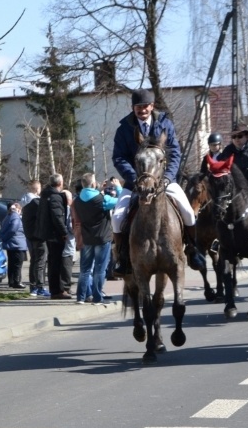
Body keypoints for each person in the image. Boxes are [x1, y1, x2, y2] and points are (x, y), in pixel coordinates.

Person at [111, 88, 206, 275]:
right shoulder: (124, 129)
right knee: (117, 218)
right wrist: (135, 179)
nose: (142, 110)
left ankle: (193, 250)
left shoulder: (165, 124)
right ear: (133, 108)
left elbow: (174, 153)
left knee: (188, 211)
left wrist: (169, 177)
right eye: (138, 107)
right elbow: (119, 158)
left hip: (163, 180)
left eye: (145, 106)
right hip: (135, 183)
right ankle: (122, 257)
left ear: (152, 106)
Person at [74, 174, 118, 305]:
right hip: (102, 237)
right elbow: (120, 200)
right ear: (93, 184)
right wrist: (118, 187)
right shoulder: (102, 199)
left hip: (87, 237)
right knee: (100, 269)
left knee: (85, 269)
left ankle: (81, 297)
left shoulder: (77, 200)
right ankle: (97, 298)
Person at [37, 174, 71, 299]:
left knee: (53, 263)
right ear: (60, 183)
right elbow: (57, 217)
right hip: (55, 235)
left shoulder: (45, 195)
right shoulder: (55, 197)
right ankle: (57, 291)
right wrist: (64, 232)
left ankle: (56, 289)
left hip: (49, 233)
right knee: (56, 263)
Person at [21, 181, 50, 297]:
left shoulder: (24, 202)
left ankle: (33, 286)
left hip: (30, 236)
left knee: (34, 261)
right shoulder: (36, 203)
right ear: (38, 189)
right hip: (39, 236)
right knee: (41, 261)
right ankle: (40, 286)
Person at [217, 125, 248, 196]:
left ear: (247, 136)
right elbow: (220, 167)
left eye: (240, 136)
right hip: (236, 190)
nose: (236, 139)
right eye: (234, 137)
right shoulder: (227, 151)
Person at [0, 202, 27, 289]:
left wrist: (4, 238)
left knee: (11, 264)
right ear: (18, 209)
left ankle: (11, 281)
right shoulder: (16, 217)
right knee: (18, 264)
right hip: (17, 244)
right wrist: (6, 237)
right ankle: (17, 281)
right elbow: (13, 228)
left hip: (11, 244)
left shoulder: (8, 216)